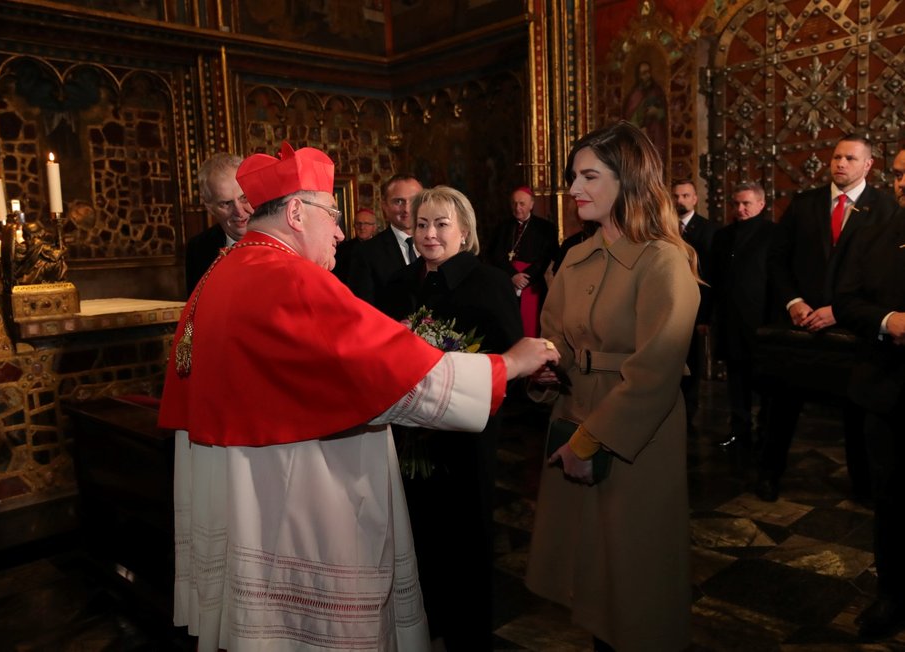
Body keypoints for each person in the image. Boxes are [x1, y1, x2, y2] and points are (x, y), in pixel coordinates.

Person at [158, 142, 560, 652]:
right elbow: (390, 372)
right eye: (333, 215)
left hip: (242, 484)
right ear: (298, 211)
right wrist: (510, 364)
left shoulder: (223, 270)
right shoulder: (290, 279)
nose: (343, 233)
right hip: (292, 494)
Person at [525, 121, 700, 652]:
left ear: (628, 180)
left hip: (632, 440)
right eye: (573, 176)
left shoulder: (664, 260)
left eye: (589, 176)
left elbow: (656, 370)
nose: (574, 188)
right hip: (575, 417)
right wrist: (544, 372)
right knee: (594, 584)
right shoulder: (574, 257)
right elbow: (551, 338)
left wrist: (589, 440)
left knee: (635, 583)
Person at [381, 186, 522, 650]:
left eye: (441, 224)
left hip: (465, 441)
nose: (430, 233)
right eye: (421, 224)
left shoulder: (489, 282)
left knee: (463, 544)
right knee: (415, 536)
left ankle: (467, 636)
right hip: (406, 438)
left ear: (465, 230)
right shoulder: (398, 285)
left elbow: (510, 362)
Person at [757, 134, 898, 502]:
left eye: (850, 158)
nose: (840, 164)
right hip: (799, 329)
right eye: (836, 157)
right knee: (780, 407)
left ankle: (863, 488)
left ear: (868, 165)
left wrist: (840, 310)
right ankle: (769, 474)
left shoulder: (887, 210)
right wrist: (794, 301)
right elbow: (777, 259)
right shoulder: (804, 204)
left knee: (856, 415)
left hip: (852, 331)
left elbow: (885, 276)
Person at [832, 147, 905, 640]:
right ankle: (893, 596)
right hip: (891, 391)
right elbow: (847, 299)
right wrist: (887, 321)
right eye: (901, 175)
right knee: (893, 501)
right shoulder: (875, 235)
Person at [708, 182, 775, 449]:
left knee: (766, 381)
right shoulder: (723, 236)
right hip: (730, 320)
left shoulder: (774, 234)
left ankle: (767, 431)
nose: (740, 209)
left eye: (746, 203)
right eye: (736, 204)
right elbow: (713, 277)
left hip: (762, 321)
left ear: (761, 204)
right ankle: (739, 429)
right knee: (736, 379)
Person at [673, 179, 718, 434]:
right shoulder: (664, 227)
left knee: (692, 363)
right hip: (670, 304)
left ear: (695, 199)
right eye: (676, 196)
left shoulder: (708, 230)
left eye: (685, 196)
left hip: (695, 307)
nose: (680, 200)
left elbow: (709, 277)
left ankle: (688, 415)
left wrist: (704, 317)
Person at [484, 186, 558, 337]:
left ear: (531, 204)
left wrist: (524, 278)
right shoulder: (502, 227)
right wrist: (512, 276)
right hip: (506, 283)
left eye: (522, 204)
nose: (517, 208)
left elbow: (545, 257)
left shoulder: (545, 228)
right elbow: (494, 255)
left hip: (532, 285)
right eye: (514, 203)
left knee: (532, 330)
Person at [184, 153, 254, 297]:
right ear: (210, 207)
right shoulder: (198, 249)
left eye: (244, 198)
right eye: (226, 203)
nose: (239, 211)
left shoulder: (285, 238)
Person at [347, 174, 422, 307]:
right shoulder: (366, 253)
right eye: (398, 201)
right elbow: (363, 308)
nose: (407, 209)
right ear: (384, 206)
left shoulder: (438, 244)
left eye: (414, 200)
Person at [623, 61, 668, 159]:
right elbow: (629, 117)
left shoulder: (657, 91)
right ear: (639, 76)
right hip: (641, 135)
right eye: (643, 73)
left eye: (648, 72)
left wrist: (656, 111)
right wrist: (639, 128)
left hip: (657, 134)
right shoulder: (634, 95)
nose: (647, 75)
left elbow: (666, 114)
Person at [333, 207, 378, 283]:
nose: (362, 227)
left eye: (366, 223)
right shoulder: (342, 249)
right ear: (354, 226)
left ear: (374, 227)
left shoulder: (382, 248)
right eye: (358, 223)